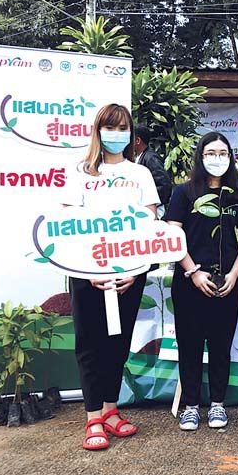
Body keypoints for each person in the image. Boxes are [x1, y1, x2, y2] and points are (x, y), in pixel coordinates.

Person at [63, 104, 160, 451]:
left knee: (117, 343)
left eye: (122, 129)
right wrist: (89, 270)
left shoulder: (141, 174)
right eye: (110, 127)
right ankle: (93, 417)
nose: (116, 134)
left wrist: (134, 271)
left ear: (131, 135)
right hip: (86, 274)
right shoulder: (80, 172)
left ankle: (110, 409)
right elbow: (69, 226)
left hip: (128, 276)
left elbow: (149, 225)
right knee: (89, 343)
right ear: (98, 131)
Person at [164, 132, 238, 431]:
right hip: (189, 282)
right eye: (210, 153)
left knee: (221, 345)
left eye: (223, 153)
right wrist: (193, 272)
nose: (217, 159)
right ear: (200, 157)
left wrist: (234, 274)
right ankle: (191, 406)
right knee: (189, 345)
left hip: (225, 282)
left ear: (231, 158)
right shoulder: (184, 193)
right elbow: (173, 234)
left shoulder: (235, 195)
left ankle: (217, 404)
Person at [133, 124, 172, 217]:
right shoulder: (140, 157)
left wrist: (150, 202)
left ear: (137, 141)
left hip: (154, 211)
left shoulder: (150, 158)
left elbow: (164, 184)